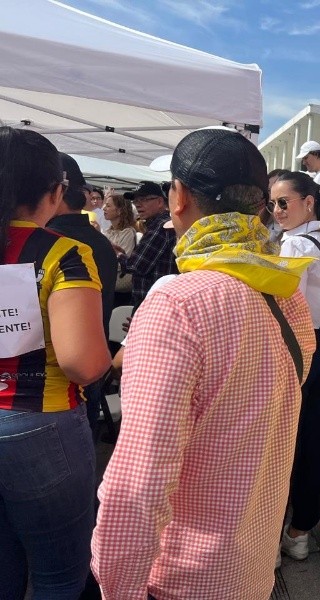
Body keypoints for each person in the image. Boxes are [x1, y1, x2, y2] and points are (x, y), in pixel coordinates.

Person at [91, 128, 316, 599]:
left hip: (182, 577)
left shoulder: (178, 303)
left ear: (179, 197)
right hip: (251, 567)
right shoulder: (286, 295)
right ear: (260, 204)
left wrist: (118, 587)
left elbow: (139, 481)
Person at [0, 127, 111, 599]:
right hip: (41, 421)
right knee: (59, 576)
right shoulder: (63, 252)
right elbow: (83, 363)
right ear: (55, 191)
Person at [271, 171, 320, 561]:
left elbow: (288, 303)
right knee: (312, 439)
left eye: (284, 202)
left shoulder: (296, 243)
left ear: (309, 202)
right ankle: (301, 528)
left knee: (284, 443)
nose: (277, 210)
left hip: (300, 343)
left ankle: (275, 534)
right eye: (273, 203)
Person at [47, 153, 118, 434]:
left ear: (56, 193)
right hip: (91, 369)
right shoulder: (100, 242)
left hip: (52, 383)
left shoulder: (51, 243)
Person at [113, 182, 178, 311]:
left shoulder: (160, 226)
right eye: (135, 201)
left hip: (151, 304)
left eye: (143, 199)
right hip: (157, 302)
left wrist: (117, 254)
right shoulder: (160, 224)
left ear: (160, 202)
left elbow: (136, 265)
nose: (138, 204)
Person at [101, 192, 138, 306]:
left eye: (108, 205)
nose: (104, 208)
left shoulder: (128, 232)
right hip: (108, 285)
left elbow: (123, 261)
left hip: (119, 289)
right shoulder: (108, 232)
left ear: (120, 210)